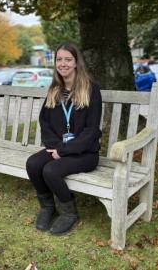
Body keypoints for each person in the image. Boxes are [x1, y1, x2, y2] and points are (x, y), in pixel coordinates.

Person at [25, 42, 102, 235]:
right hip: (59, 148)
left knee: (50, 170)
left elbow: (91, 130)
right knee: (33, 164)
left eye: (68, 59)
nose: (63, 63)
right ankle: (47, 207)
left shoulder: (90, 90)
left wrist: (63, 151)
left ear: (76, 63)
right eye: (59, 59)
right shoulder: (54, 90)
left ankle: (69, 213)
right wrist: (55, 147)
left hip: (85, 152)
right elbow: (45, 122)